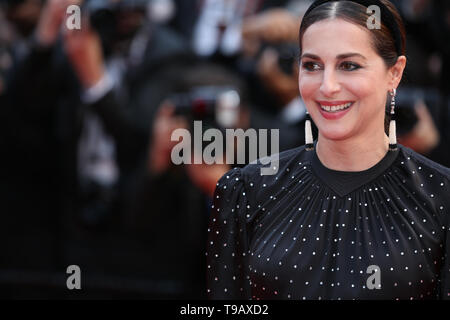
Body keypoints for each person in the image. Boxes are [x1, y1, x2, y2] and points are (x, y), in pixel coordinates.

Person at [206, 0, 450, 300]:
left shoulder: (441, 197)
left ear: (394, 73)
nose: (327, 85)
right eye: (312, 66)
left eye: (349, 65)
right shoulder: (246, 189)